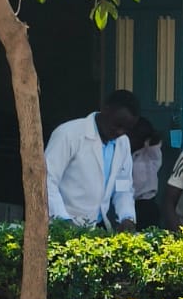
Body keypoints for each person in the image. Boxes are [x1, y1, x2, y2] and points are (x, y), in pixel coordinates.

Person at [45, 89, 140, 230]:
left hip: (97, 227)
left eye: (127, 129)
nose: (120, 132)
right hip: (61, 226)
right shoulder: (68, 134)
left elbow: (123, 187)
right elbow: (46, 180)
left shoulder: (123, 143)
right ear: (105, 110)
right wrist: (63, 220)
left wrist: (127, 217)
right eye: (117, 125)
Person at [130, 118, 164, 228]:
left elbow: (156, 140)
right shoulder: (128, 155)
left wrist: (148, 140)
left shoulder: (150, 154)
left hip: (146, 203)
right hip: (129, 203)